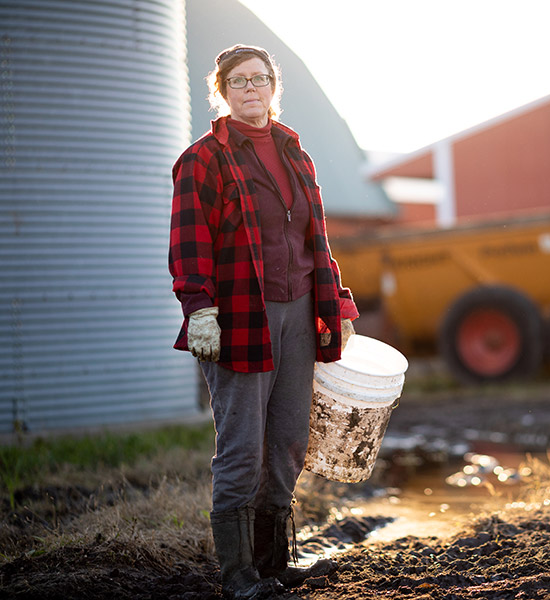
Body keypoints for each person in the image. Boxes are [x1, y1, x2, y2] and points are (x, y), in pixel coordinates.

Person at [168, 44, 358, 599]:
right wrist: (198, 308)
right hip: (240, 317)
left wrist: (339, 304)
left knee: (288, 445)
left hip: (299, 313)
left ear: (274, 86)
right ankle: (238, 575)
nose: (250, 90)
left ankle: (275, 563)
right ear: (221, 92)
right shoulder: (203, 158)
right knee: (242, 449)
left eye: (259, 80)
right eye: (238, 82)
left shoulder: (295, 152)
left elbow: (316, 240)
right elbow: (188, 244)